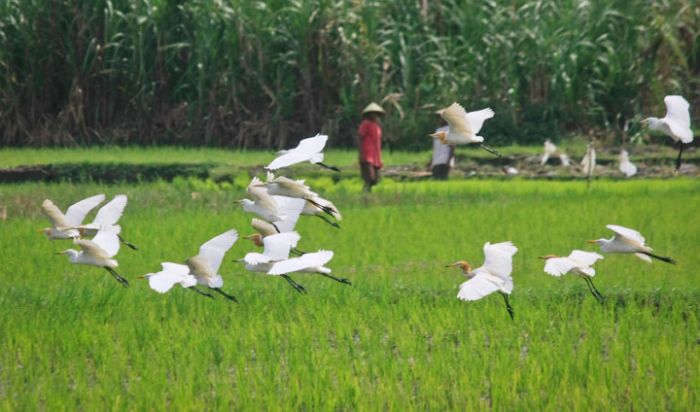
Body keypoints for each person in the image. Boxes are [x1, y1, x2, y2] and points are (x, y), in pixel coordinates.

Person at [358, 102, 385, 192]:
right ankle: (365, 193)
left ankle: (367, 192)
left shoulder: (377, 126)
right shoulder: (365, 124)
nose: (374, 115)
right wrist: (361, 153)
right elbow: (360, 137)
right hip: (367, 154)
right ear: (369, 114)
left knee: (376, 179)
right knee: (369, 177)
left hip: (376, 155)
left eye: (376, 114)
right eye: (372, 113)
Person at [429, 113, 455, 179]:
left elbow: (452, 147)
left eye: (439, 118)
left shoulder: (449, 130)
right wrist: (431, 161)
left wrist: (449, 161)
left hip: (444, 161)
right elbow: (435, 148)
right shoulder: (437, 131)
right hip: (436, 162)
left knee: (443, 181)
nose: (437, 120)